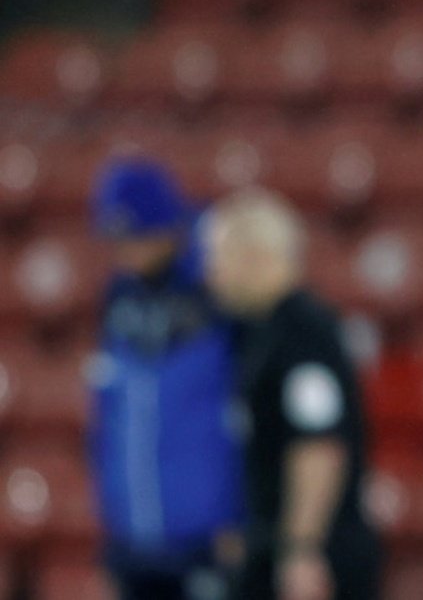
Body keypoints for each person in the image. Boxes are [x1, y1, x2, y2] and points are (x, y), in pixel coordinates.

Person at [202, 188, 380, 600]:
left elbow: (318, 445)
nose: (211, 274)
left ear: (253, 256)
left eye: (217, 257)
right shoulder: (260, 332)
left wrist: (302, 550)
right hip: (273, 551)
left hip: (316, 556)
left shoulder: (303, 333)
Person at [88, 158, 243, 600]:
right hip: (134, 537)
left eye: (133, 237)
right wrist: (114, 527)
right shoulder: (119, 298)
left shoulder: (216, 290)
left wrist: (236, 517)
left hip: (206, 536)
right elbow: (112, 422)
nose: (124, 251)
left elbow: (241, 416)